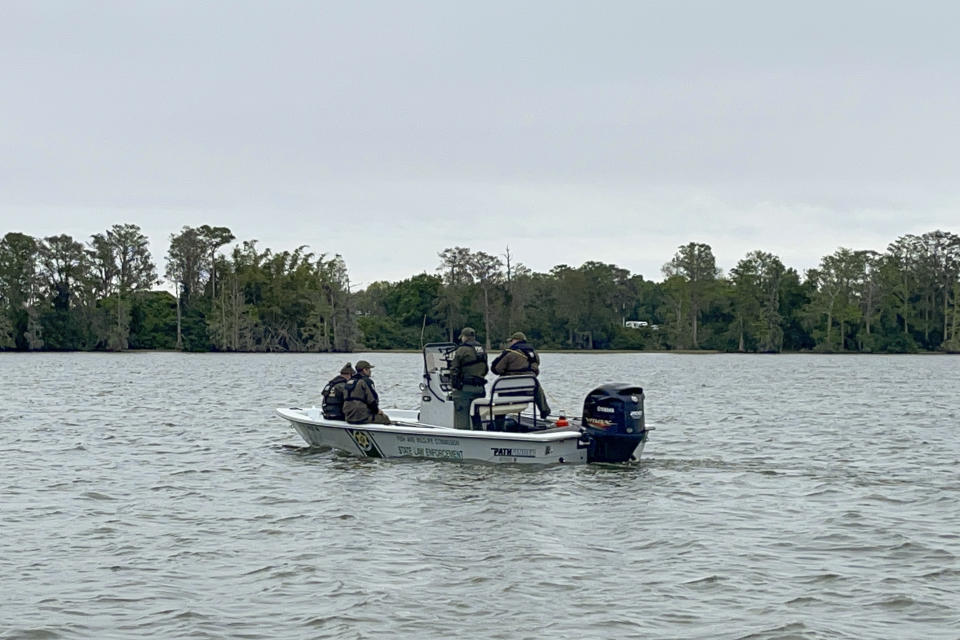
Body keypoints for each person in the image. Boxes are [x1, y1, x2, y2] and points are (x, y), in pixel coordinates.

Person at [491, 331, 551, 419]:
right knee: (536, 384)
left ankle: (498, 425)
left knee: (501, 400)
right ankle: (544, 411)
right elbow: (535, 370)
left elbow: (496, 369)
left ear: (515, 340)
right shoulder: (534, 354)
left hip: (509, 392)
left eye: (511, 341)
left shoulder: (509, 353)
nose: (510, 343)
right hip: (529, 392)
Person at [448, 327, 488, 429]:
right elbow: (485, 369)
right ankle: (479, 435)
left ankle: (462, 436)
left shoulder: (461, 350)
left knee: (461, 416)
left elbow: (454, 369)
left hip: (465, 389)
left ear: (465, 337)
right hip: (480, 388)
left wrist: (455, 384)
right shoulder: (482, 350)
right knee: (477, 416)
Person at [343, 360, 391, 425]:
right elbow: (372, 400)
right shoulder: (367, 381)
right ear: (364, 370)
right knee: (385, 419)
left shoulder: (349, 381)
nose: (370, 371)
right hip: (361, 416)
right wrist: (377, 411)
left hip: (348, 416)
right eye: (369, 369)